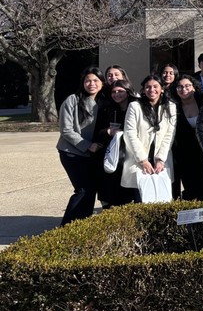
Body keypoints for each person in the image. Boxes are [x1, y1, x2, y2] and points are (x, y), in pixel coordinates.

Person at [57, 67, 106, 225]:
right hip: (72, 153)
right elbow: (66, 129)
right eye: (88, 80)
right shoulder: (73, 100)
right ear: (83, 83)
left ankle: (82, 225)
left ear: (102, 83)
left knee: (90, 191)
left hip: (91, 154)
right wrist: (87, 145)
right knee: (83, 190)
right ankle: (67, 227)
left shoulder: (104, 101)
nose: (91, 84)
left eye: (95, 80)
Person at [122, 75, 177, 202]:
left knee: (162, 199)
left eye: (155, 86)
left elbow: (169, 134)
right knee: (142, 199)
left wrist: (161, 159)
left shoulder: (170, 107)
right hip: (139, 160)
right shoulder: (135, 106)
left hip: (161, 160)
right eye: (148, 87)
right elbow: (130, 133)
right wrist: (143, 160)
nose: (152, 90)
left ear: (162, 89)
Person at [94, 78, 137, 207]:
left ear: (128, 92)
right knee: (110, 190)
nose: (116, 94)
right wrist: (108, 131)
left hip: (131, 155)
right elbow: (98, 132)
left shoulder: (136, 107)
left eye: (120, 91)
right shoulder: (107, 109)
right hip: (113, 155)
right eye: (114, 91)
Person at [170, 73, 203, 200]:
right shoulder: (173, 106)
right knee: (190, 187)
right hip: (184, 154)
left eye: (187, 86)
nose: (184, 90)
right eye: (180, 87)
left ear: (194, 87)